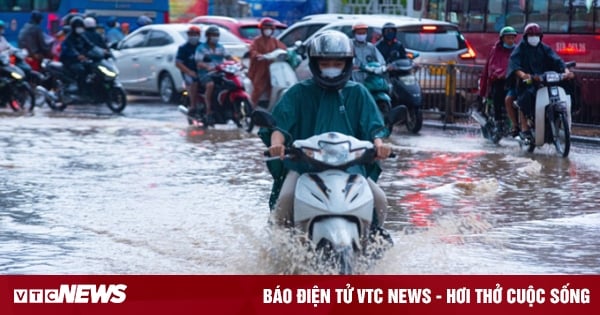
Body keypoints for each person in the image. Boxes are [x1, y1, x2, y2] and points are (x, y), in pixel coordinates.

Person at [258, 30, 392, 235]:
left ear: (347, 65)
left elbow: (375, 127)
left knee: (379, 199)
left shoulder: (358, 93)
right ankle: (280, 243)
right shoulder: (298, 92)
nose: (332, 69)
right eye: (326, 64)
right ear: (315, 64)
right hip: (304, 165)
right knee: (285, 199)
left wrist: (380, 146)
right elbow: (279, 126)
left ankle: (374, 237)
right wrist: (277, 144)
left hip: (351, 166)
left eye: (337, 64)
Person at [507, 23, 574, 139]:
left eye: (536, 35)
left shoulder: (544, 48)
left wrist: (566, 72)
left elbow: (557, 60)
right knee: (525, 99)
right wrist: (523, 75)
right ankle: (525, 127)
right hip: (528, 83)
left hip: (544, 81)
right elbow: (515, 65)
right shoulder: (520, 49)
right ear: (526, 36)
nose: (534, 37)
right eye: (531, 35)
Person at [479, 26, 519, 137]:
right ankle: (499, 121)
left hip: (514, 81)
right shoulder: (496, 50)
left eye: (512, 38)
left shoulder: (517, 50)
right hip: (499, 81)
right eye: (508, 38)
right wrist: (500, 74)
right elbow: (492, 66)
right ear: (502, 39)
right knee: (498, 94)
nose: (510, 40)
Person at [248, 17, 287, 108]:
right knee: (258, 88)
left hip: (273, 69)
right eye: (265, 28)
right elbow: (252, 51)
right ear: (262, 29)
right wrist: (258, 56)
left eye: (269, 28)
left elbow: (283, 49)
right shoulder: (257, 41)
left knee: (273, 88)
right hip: (260, 69)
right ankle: (251, 108)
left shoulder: (274, 41)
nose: (267, 30)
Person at [195, 25, 229, 125]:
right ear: (208, 36)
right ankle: (208, 109)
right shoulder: (201, 48)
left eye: (217, 35)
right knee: (210, 85)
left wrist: (239, 63)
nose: (215, 37)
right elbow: (198, 63)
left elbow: (229, 57)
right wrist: (207, 67)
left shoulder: (221, 47)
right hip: (206, 73)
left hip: (220, 73)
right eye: (213, 35)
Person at [59, 16, 96, 92]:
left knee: (91, 67)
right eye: (78, 27)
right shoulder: (69, 38)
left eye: (81, 27)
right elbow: (70, 48)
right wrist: (78, 55)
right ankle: (79, 87)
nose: (80, 29)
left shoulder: (81, 36)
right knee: (81, 70)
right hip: (69, 60)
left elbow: (89, 45)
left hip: (79, 60)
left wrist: (101, 51)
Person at [175, 26, 202, 116]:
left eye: (195, 34)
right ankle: (193, 105)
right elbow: (178, 63)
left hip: (202, 72)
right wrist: (189, 72)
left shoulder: (202, 47)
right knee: (193, 82)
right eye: (191, 34)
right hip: (189, 73)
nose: (193, 36)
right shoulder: (183, 48)